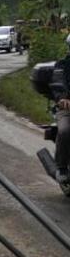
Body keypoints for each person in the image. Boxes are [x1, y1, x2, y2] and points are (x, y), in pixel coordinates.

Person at [54, 34, 70, 183]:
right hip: (67, 108)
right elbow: (59, 84)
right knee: (65, 131)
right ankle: (62, 167)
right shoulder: (63, 66)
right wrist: (62, 98)